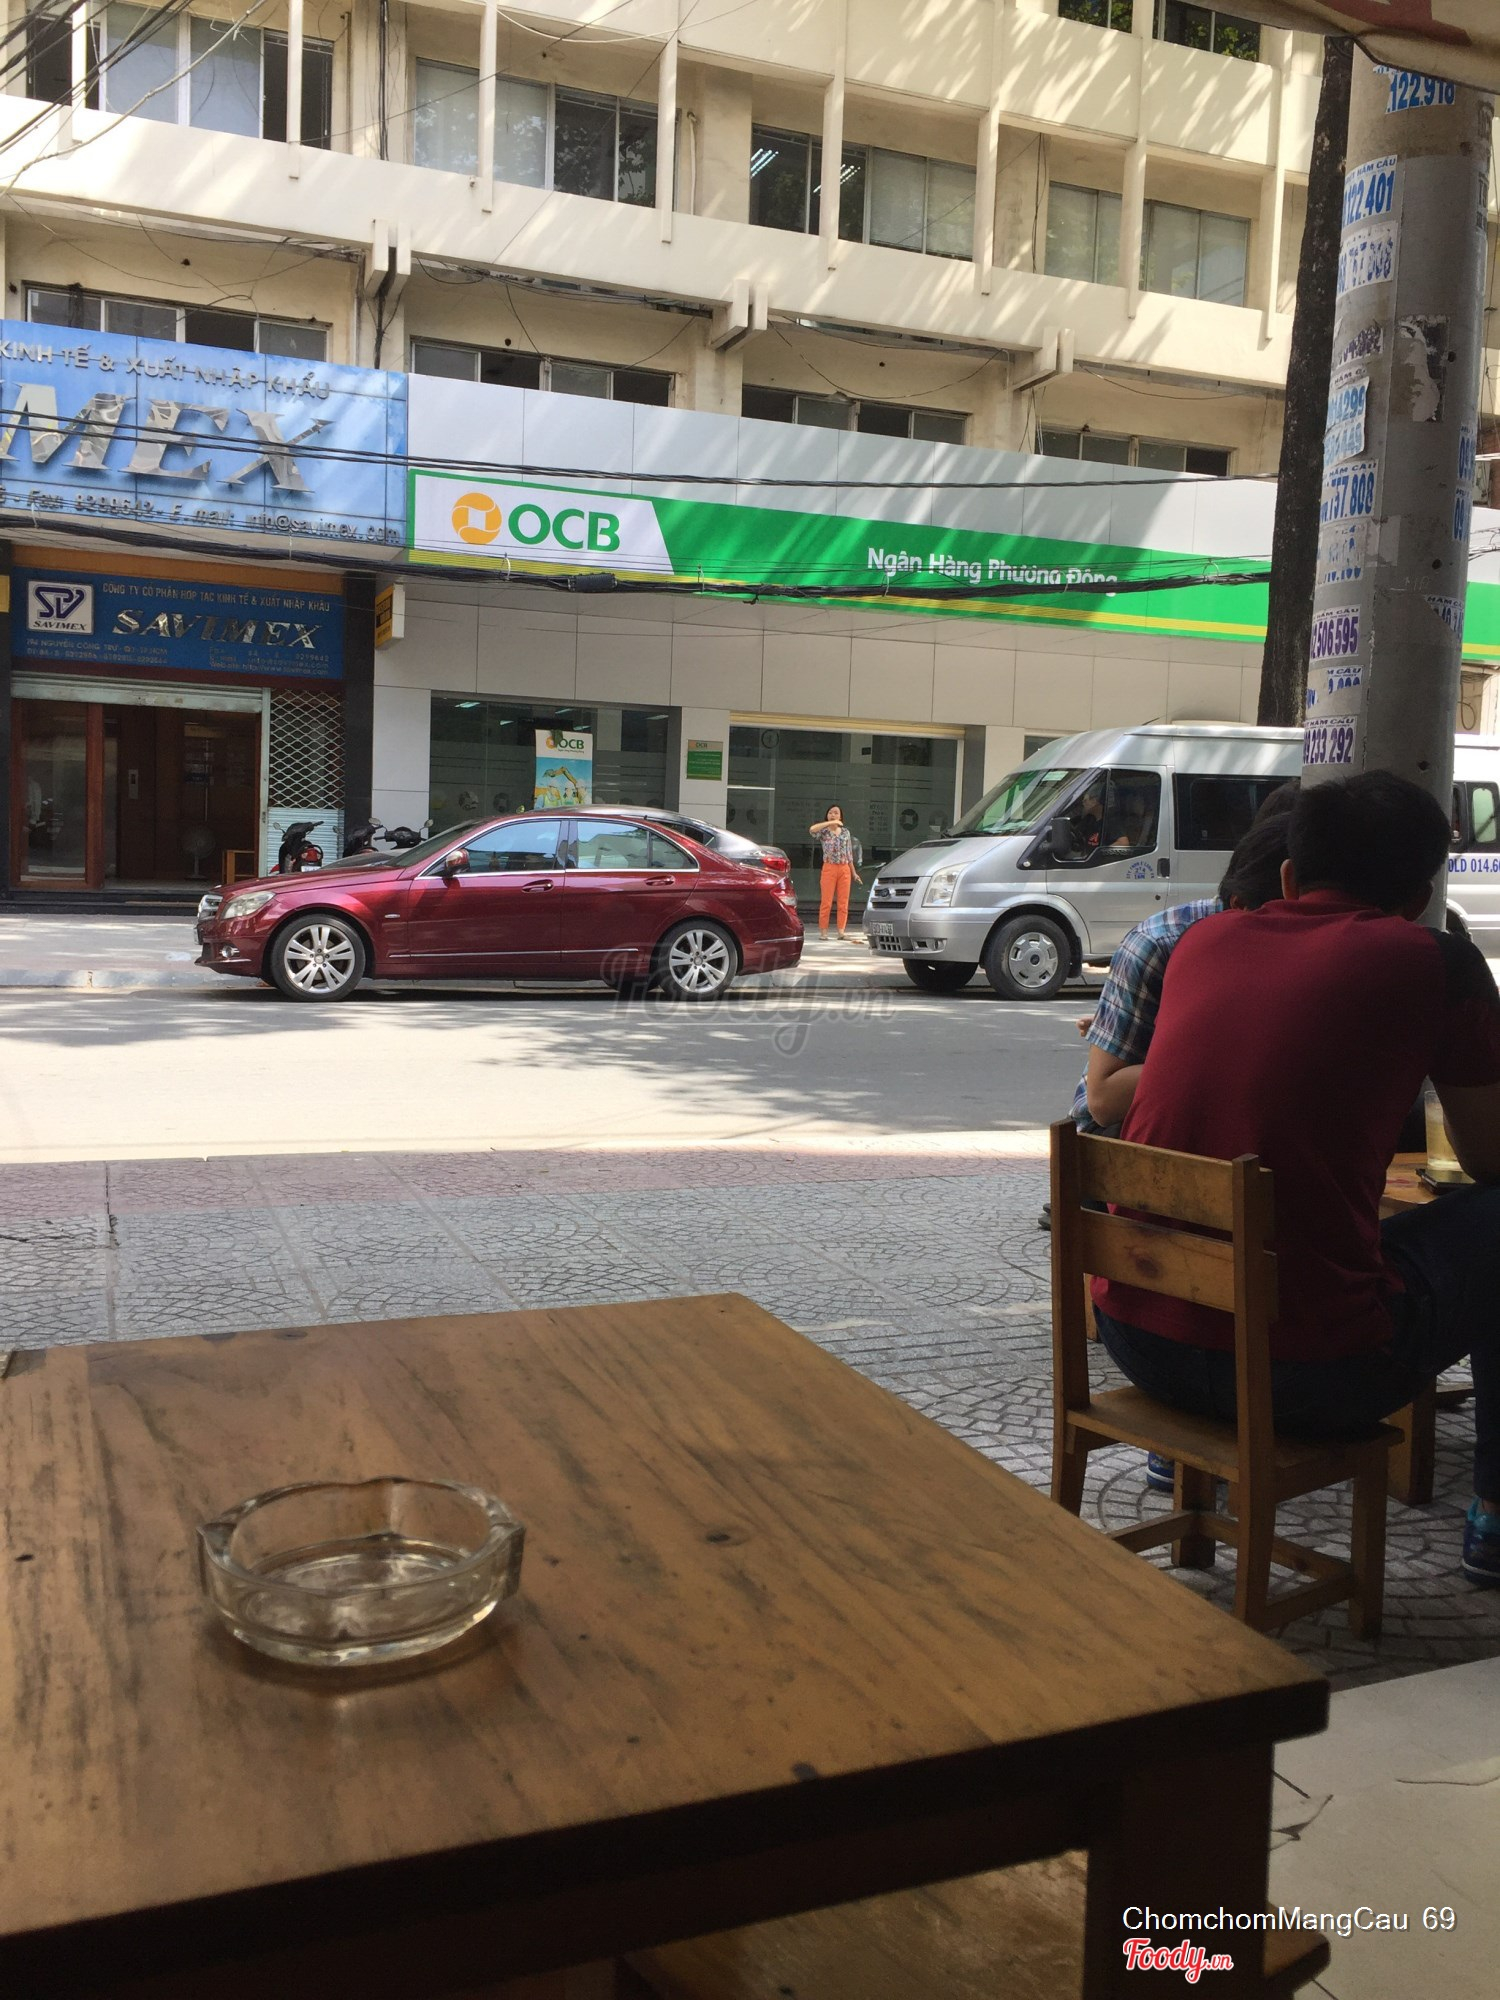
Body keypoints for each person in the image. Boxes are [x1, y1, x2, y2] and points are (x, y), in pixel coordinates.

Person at [1092, 772, 1500, 1585]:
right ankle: (1493, 1512)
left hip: (1141, 1341)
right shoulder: (1437, 964)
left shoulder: (1200, 944)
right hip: (1309, 1376)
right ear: (1421, 896)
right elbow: (1490, 1161)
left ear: (1287, 876)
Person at [809, 804, 863, 942]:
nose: (833, 815)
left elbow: (849, 853)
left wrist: (854, 873)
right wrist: (830, 823)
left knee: (843, 902)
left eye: (836, 813)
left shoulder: (845, 832)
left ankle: (841, 931)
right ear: (827, 815)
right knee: (826, 902)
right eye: (831, 813)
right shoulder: (824, 831)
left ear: (841, 816)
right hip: (829, 867)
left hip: (844, 868)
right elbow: (812, 830)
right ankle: (824, 931)